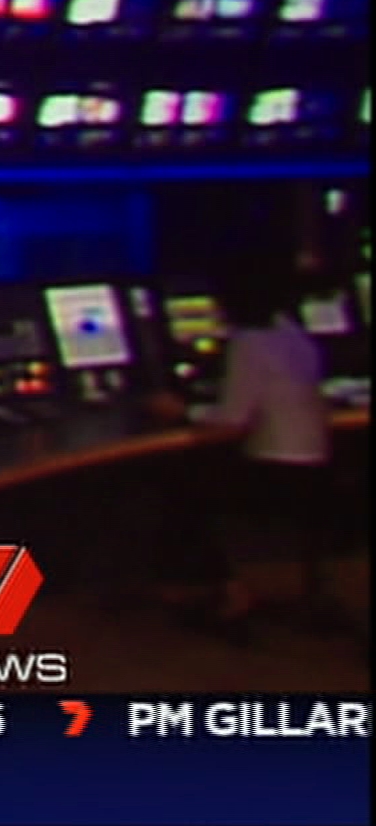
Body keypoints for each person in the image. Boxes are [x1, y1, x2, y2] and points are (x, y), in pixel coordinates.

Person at [148, 266, 340, 638]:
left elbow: (232, 423)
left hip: (280, 476)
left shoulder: (249, 343)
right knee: (195, 480)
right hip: (316, 474)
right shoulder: (295, 334)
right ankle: (205, 585)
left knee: (180, 489)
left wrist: (181, 413)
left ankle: (227, 589)